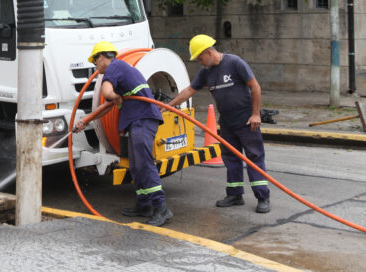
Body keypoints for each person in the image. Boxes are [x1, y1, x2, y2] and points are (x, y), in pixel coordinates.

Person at [167, 34, 270, 214]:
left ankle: (262, 197)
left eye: (200, 58)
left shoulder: (235, 63)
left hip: (247, 121)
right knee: (231, 159)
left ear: (209, 52)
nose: (200, 62)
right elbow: (190, 90)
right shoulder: (206, 72)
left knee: (254, 157)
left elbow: (255, 87)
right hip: (227, 123)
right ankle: (235, 194)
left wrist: (255, 114)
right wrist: (168, 106)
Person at [75, 41, 172, 227]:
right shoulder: (120, 71)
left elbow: (107, 92)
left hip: (143, 119)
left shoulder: (114, 67)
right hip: (138, 121)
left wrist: (113, 95)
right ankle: (144, 205)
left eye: (95, 62)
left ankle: (161, 208)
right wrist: (85, 121)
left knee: (144, 163)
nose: (96, 67)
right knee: (136, 165)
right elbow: (107, 105)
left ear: (101, 57)